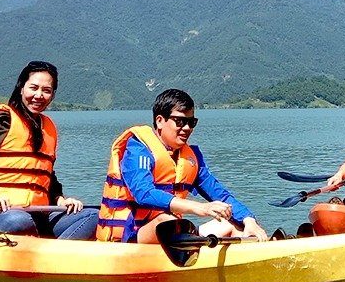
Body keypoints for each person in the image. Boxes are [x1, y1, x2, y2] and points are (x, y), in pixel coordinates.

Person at [95, 88, 269, 243]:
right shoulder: (138, 150)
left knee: (230, 223)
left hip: (173, 232)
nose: (187, 128)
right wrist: (199, 208)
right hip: (131, 236)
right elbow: (143, 193)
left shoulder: (191, 158)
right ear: (160, 121)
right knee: (165, 220)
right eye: (180, 121)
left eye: (191, 122)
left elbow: (220, 194)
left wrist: (248, 219)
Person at [0, 60, 97, 239]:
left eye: (46, 90)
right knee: (19, 222)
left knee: (93, 216)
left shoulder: (48, 127)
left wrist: (61, 200)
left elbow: (44, 176)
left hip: (38, 214)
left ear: (52, 95)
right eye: (33, 88)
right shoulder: (2, 121)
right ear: (21, 88)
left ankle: (50, 259)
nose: (39, 95)